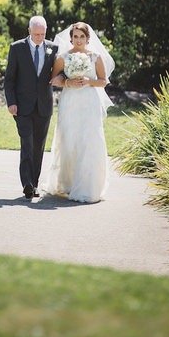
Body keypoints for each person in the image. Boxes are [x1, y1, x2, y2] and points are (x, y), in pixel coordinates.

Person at [43, 21, 114, 204]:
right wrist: (68, 82)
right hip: (70, 102)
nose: (79, 40)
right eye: (75, 36)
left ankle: (87, 187)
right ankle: (67, 183)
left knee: (89, 141)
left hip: (89, 102)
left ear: (87, 38)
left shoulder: (95, 57)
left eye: (82, 36)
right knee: (69, 140)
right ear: (71, 37)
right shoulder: (63, 57)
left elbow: (103, 81)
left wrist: (88, 82)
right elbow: (54, 80)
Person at [3, 15, 59, 200]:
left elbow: (59, 73)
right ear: (29, 31)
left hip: (44, 106)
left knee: (38, 146)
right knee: (27, 143)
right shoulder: (17, 48)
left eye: (42, 34)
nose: (39, 37)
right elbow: (9, 79)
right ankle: (27, 184)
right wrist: (11, 102)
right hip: (22, 106)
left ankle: (34, 183)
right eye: (36, 34)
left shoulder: (53, 48)